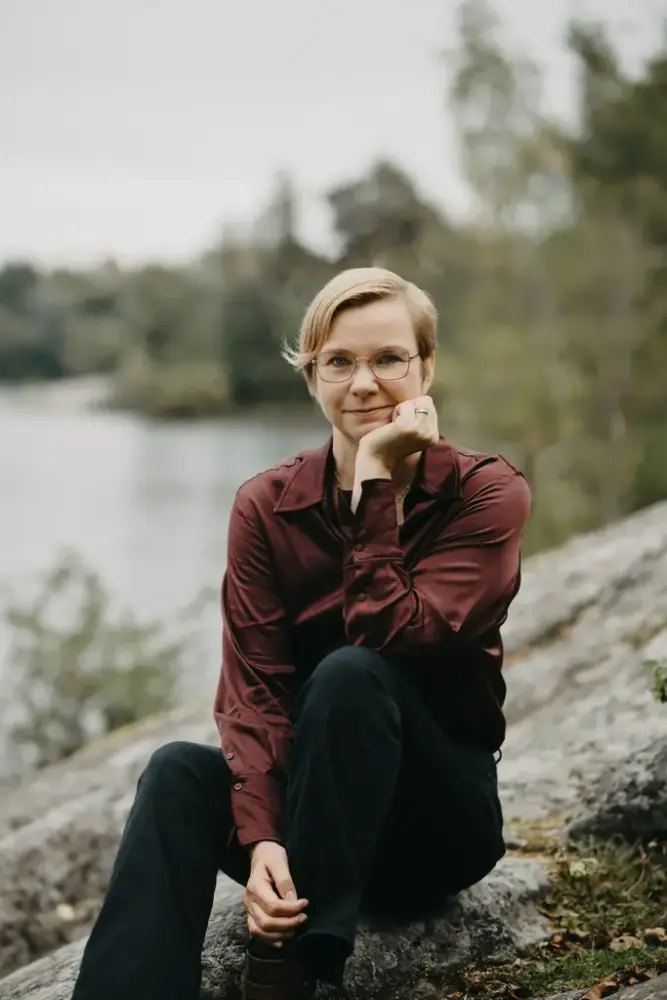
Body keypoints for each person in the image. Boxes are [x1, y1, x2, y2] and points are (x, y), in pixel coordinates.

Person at [70, 267, 531, 1000]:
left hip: (432, 826)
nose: (362, 384)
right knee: (175, 775)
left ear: (426, 368)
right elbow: (253, 692)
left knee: (351, 673)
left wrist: (376, 482)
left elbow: (394, 632)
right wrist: (261, 840)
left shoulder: (484, 493)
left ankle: (289, 970)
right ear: (311, 376)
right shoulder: (264, 505)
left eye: (387, 359)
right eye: (338, 362)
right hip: (304, 818)